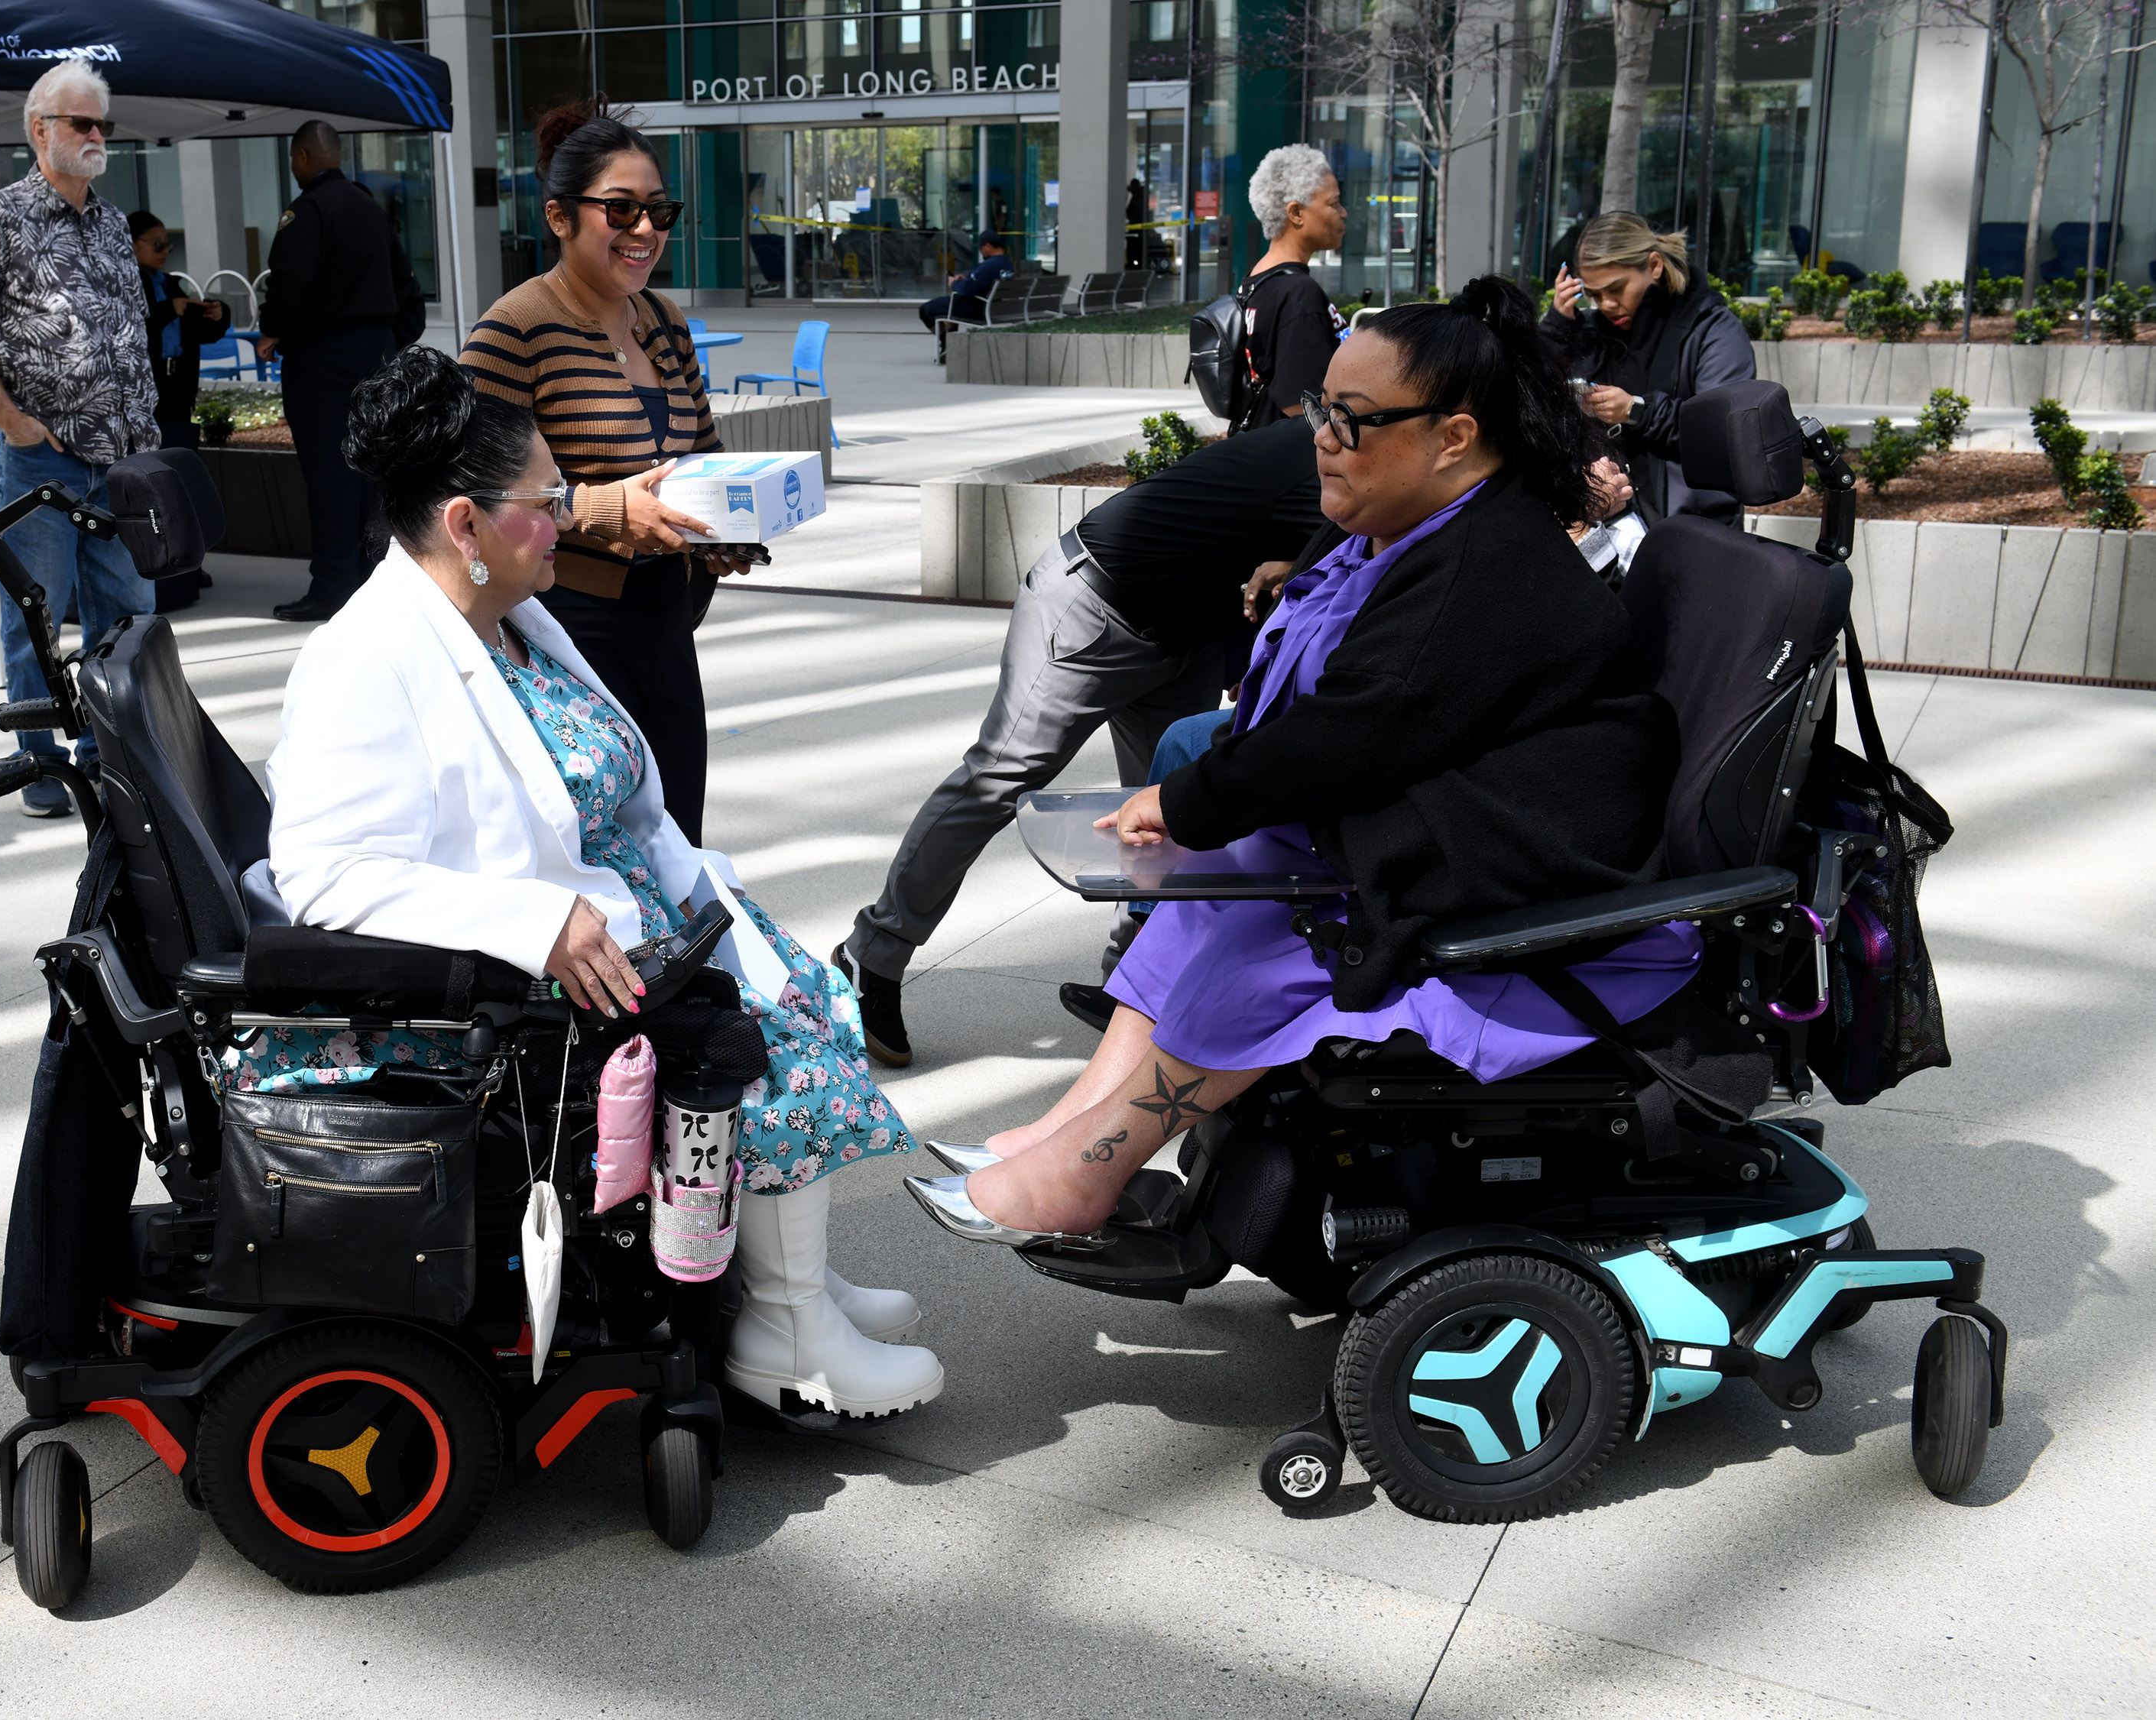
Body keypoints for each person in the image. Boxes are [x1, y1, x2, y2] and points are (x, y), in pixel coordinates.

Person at [904, 277, 1685, 1246]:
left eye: (1352, 419)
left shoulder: (1487, 567)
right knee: (1220, 889)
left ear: (1453, 436)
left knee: (1274, 927)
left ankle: (1081, 1171)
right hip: (1459, 824)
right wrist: (1202, 809)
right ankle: (1069, 1133)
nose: (1322, 433)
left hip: (1532, 872)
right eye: (1322, 406)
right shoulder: (1414, 527)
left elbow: (1352, 729)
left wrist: (1189, 801)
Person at [262, 345, 942, 1418]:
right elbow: (319, 871)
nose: (569, 516)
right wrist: (532, 920)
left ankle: (789, 1278)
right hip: (514, 976)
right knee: (770, 1044)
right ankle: (787, 1329)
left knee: (804, 989)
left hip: (634, 911)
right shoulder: (366, 659)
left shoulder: (508, 616)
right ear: (463, 525)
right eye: (547, 501)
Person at [832, 419, 1330, 1067]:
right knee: (999, 778)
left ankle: (1131, 982)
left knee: (1175, 807)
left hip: (1187, 638)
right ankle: (873, 953)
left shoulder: (1350, 456)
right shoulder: (1326, 460)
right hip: (1096, 606)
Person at [460, 97, 750, 847]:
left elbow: (705, 452)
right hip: (566, 631)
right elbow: (464, 490)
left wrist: (729, 525)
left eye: (659, 211)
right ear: (559, 218)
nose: (645, 231)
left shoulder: (664, 320)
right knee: (602, 849)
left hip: (667, 619)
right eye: (620, 211)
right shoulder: (513, 330)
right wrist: (596, 508)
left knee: (679, 835)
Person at [0, 58, 156, 820]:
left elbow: (128, 330)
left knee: (127, 622)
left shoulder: (111, 222)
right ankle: (37, 769)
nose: (98, 135)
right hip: (42, 460)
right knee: (35, 620)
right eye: (82, 123)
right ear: (40, 131)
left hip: (124, 459)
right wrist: (10, 420)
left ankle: (112, 760)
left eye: (104, 124)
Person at [255, 118, 429, 623]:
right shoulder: (372, 210)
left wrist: (275, 330)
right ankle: (376, 581)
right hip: (374, 354)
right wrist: (385, 342)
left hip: (323, 360)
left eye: (293, 159)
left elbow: (289, 288)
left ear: (305, 158)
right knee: (372, 473)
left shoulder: (307, 212)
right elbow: (407, 291)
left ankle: (333, 587)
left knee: (330, 474)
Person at [1542, 212, 1756, 523]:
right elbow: (1539, 397)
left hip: (1695, 529)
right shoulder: (1588, 329)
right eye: (1594, 294)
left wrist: (1636, 410)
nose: (1606, 304)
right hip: (1613, 530)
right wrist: (1558, 327)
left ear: (1654, 266)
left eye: (1616, 289)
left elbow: (1722, 430)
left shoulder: (1712, 329)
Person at [1232, 144, 1349, 434]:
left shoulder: (1257, 281)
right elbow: (1302, 404)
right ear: (1296, 213)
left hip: (1256, 446)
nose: (1343, 213)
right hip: (1289, 463)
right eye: (1334, 203)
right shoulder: (1298, 294)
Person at [127, 211, 229, 449]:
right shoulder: (124, 285)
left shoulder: (168, 284)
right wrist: (168, 310)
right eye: (156, 245)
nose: (164, 251)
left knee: (177, 461)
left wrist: (218, 314)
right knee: (145, 462)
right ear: (131, 244)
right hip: (144, 389)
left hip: (177, 387)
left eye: (166, 245)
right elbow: (129, 330)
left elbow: (201, 334)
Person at [919, 231, 1013, 360]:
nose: (981, 251)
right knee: (948, 307)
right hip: (994, 307)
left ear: (988, 246)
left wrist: (954, 283)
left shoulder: (988, 266)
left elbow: (967, 291)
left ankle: (948, 345)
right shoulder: (1007, 264)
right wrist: (965, 281)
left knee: (926, 309)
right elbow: (978, 284)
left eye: (981, 248)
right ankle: (949, 348)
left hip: (976, 308)